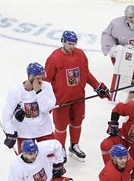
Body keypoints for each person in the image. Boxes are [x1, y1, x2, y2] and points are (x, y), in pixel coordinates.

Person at [45, 30, 110, 161]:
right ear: (62, 41)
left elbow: (85, 73)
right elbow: (46, 82)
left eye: (74, 44)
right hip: (61, 101)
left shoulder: (80, 54)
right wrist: (46, 100)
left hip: (79, 99)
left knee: (77, 123)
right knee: (61, 127)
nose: (72, 46)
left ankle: (74, 146)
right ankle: (60, 148)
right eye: (69, 43)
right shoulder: (54, 58)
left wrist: (97, 86)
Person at [2, 63, 56, 154]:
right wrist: (10, 132)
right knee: (27, 164)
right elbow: (7, 113)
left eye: (42, 78)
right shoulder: (15, 91)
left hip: (44, 131)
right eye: (38, 78)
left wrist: (38, 91)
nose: (41, 81)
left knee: (52, 159)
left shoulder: (46, 87)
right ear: (30, 76)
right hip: (24, 134)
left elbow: (45, 108)